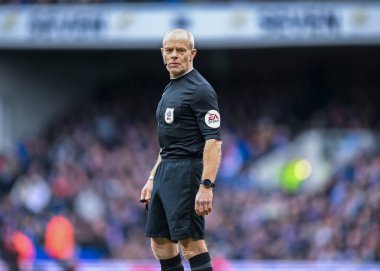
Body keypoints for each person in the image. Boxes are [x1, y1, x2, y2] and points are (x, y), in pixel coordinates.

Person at [140, 29, 222, 271]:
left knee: (190, 244)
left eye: (181, 50)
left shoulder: (200, 90)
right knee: (161, 243)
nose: (174, 55)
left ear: (192, 54)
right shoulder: (170, 88)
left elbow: (214, 141)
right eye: (169, 50)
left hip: (186, 173)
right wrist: (152, 177)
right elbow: (168, 145)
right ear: (162, 54)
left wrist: (206, 186)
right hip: (166, 170)